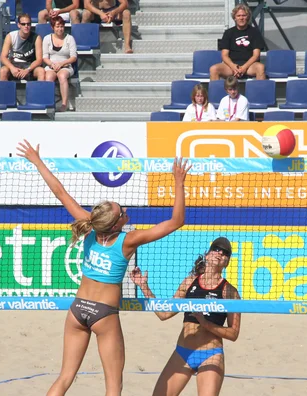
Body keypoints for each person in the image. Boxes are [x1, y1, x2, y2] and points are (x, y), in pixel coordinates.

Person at [17, 140, 190, 396]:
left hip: (77, 309)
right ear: (116, 223)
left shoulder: (89, 226)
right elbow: (177, 221)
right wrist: (178, 181)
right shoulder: (128, 240)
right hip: (103, 314)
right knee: (113, 386)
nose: (126, 210)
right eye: (122, 211)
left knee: (64, 378)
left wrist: (37, 161)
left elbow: (60, 192)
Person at [130, 237, 241, 396]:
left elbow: (234, 333)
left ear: (227, 262)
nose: (220, 253)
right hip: (183, 352)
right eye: (216, 249)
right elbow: (164, 313)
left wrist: (206, 323)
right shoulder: (190, 282)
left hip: (211, 355)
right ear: (208, 255)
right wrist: (144, 286)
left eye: (225, 253)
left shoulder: (229, 291)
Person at [209, 4, 265, 81]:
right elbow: (224, 55)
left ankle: (260, 93)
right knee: (214, 69)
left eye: (244, 15)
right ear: (234, 18)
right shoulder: (228, 33)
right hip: (231, 66)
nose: (241, 18)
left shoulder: (255, 32)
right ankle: (216, 93)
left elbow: (256, 55)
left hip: (249, 66)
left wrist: (244, 67)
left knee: (260, 67)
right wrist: (233, 66)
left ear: (247, 17)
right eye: (238, 16)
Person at [42, 16, 78, 112]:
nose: (60, 29)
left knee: (62, 76)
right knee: (49, 76)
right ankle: (49, 102)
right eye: (57, 26)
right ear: (52, 27)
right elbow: (45, 57)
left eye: (62, 26)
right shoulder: (47, 38)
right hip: (51, 65)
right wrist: (52, 64)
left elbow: (73, 57)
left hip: (66, 65)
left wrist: (62, 64)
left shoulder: (70, 38)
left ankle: (64, 104)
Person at [0, 14, 46, 81]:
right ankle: (4, 91)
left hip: (29, 65)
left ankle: (39, 91)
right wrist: (12, 68)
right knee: (3, 70)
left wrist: (27, 70)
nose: (26, 26)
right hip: (14, 64)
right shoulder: (11, 36)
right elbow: (3, 57)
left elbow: (39, 60)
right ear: (19, 25)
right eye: (23, 24)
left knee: (41, 71)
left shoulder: (36, 38)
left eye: (28, 24)